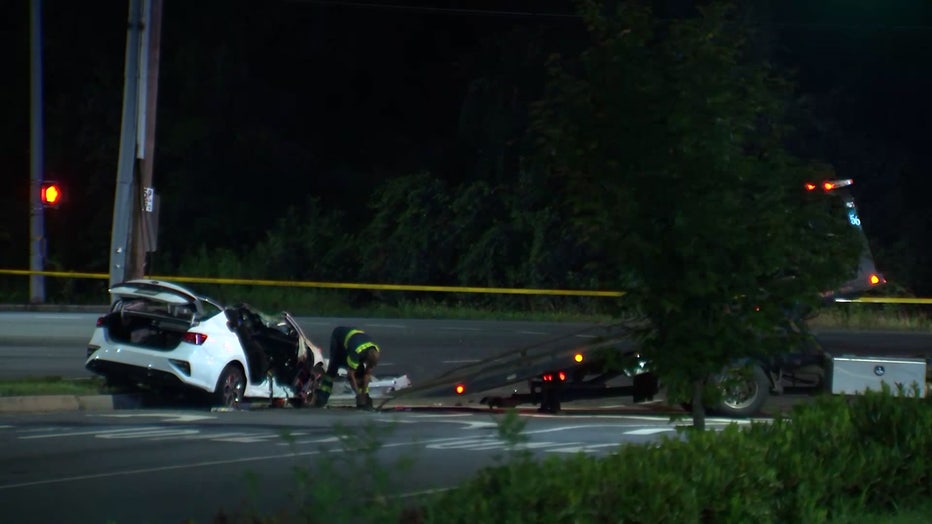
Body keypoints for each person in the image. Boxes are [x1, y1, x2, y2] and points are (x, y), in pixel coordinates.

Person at [313, 326, 381, 409]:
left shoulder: (375, 351)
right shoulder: (356, 352)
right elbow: (350, 376)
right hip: (338, 339)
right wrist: (358, 394)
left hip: (355, 339)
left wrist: (364, 393)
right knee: (333, 368)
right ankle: (321, 398)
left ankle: (364, 399)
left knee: (361, 373)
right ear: (366, 359)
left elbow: (367, 374)